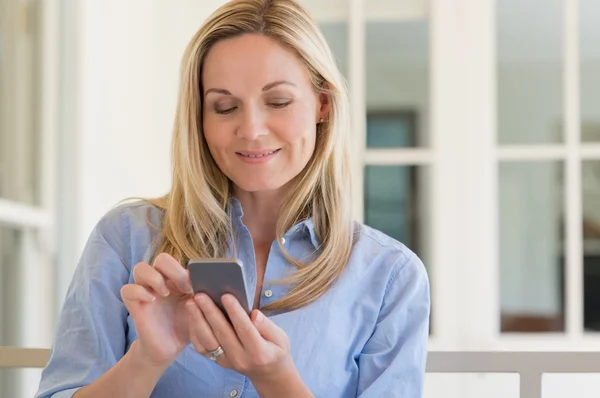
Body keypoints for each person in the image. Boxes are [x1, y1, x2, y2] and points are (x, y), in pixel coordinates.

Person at [36, 0, 430, 397]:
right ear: (200, 118)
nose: (252, 130)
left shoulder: (390, 278)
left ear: (322, 104)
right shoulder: (126, 239)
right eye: (224, 107)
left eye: (278, 101)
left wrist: (277, 381)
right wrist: (147, 359)